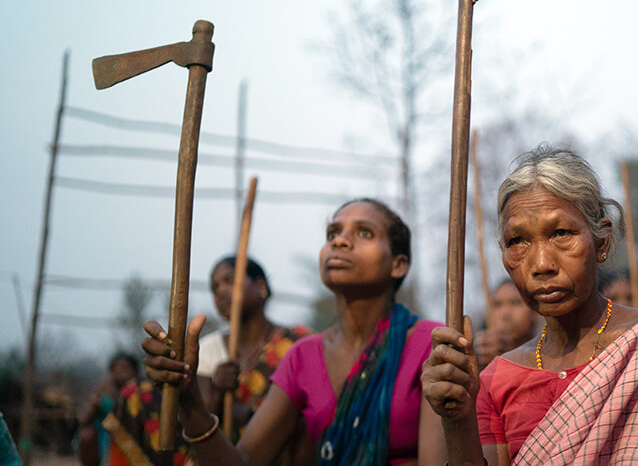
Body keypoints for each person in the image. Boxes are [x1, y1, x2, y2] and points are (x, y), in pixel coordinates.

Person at [422, 145, 638, 465]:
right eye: (518, 241)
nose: (541, 264)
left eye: (560, 233)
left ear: (602, 242)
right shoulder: (496, 379)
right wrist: (458, 421)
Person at [142, 198, 447, 465]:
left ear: (398, 264)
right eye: (333, 233)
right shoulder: (303, 355)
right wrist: (188, 397)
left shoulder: (430, 345)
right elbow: (244, 461)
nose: (339, 241)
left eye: (364, 232)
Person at [196, 255, 311, 439]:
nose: (221, 291)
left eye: (230, 280)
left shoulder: (300, 344)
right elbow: (198, 427)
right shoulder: (207, 350)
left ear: (261, 287)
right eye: (214, 288)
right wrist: (218, 390)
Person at [78, 353, 189, 466]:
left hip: (139, 449)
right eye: (115, 369)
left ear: (135, 370)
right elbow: (84, 420)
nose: (119, 372)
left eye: (124, 368)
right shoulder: (108, 395)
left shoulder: (137, 391)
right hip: (111, 444)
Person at [475, 279, 541, 369]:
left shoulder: (548, 356)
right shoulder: (479, 358)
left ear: (534, 311)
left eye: (515, 302)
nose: (505, 313)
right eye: (497, 304)